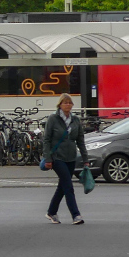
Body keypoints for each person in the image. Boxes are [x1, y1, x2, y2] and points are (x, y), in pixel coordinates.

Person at [43, 93, 89, 225]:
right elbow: (46, 140)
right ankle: (76, 215)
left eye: (70, 103)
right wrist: (48, 159)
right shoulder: (53, 119)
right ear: (60, 105)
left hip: (70, 157)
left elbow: (80, 140)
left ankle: (51, 212)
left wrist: (85, 159)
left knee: (62, 187)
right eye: (65, 103)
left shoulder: (75, 120)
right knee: (68, 186)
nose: (68, 105)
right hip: (57, 157)